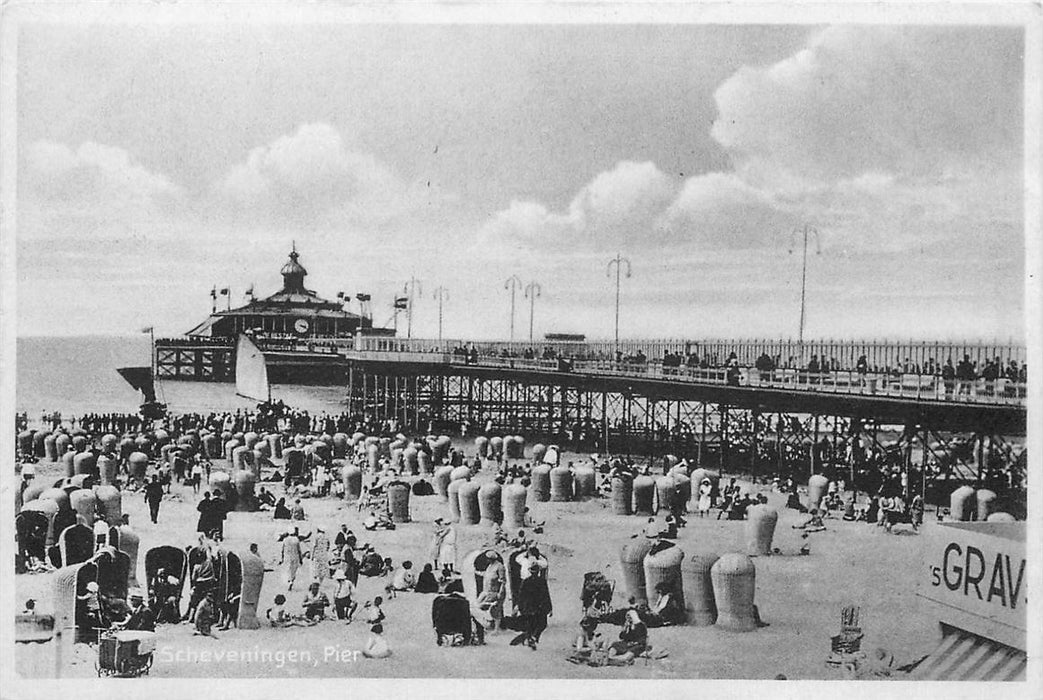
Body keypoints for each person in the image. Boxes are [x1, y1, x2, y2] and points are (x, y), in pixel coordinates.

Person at [510, 562, 552, 649]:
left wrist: (518, 606)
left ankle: (530, 638)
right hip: (538, 607)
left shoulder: (525, 581)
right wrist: (549, 608)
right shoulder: (542, 581)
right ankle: (533, 638)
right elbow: (546, 595)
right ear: (538, 572)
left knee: (530, 624)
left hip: (527, 607)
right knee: (542, 624)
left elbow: (521, 595)